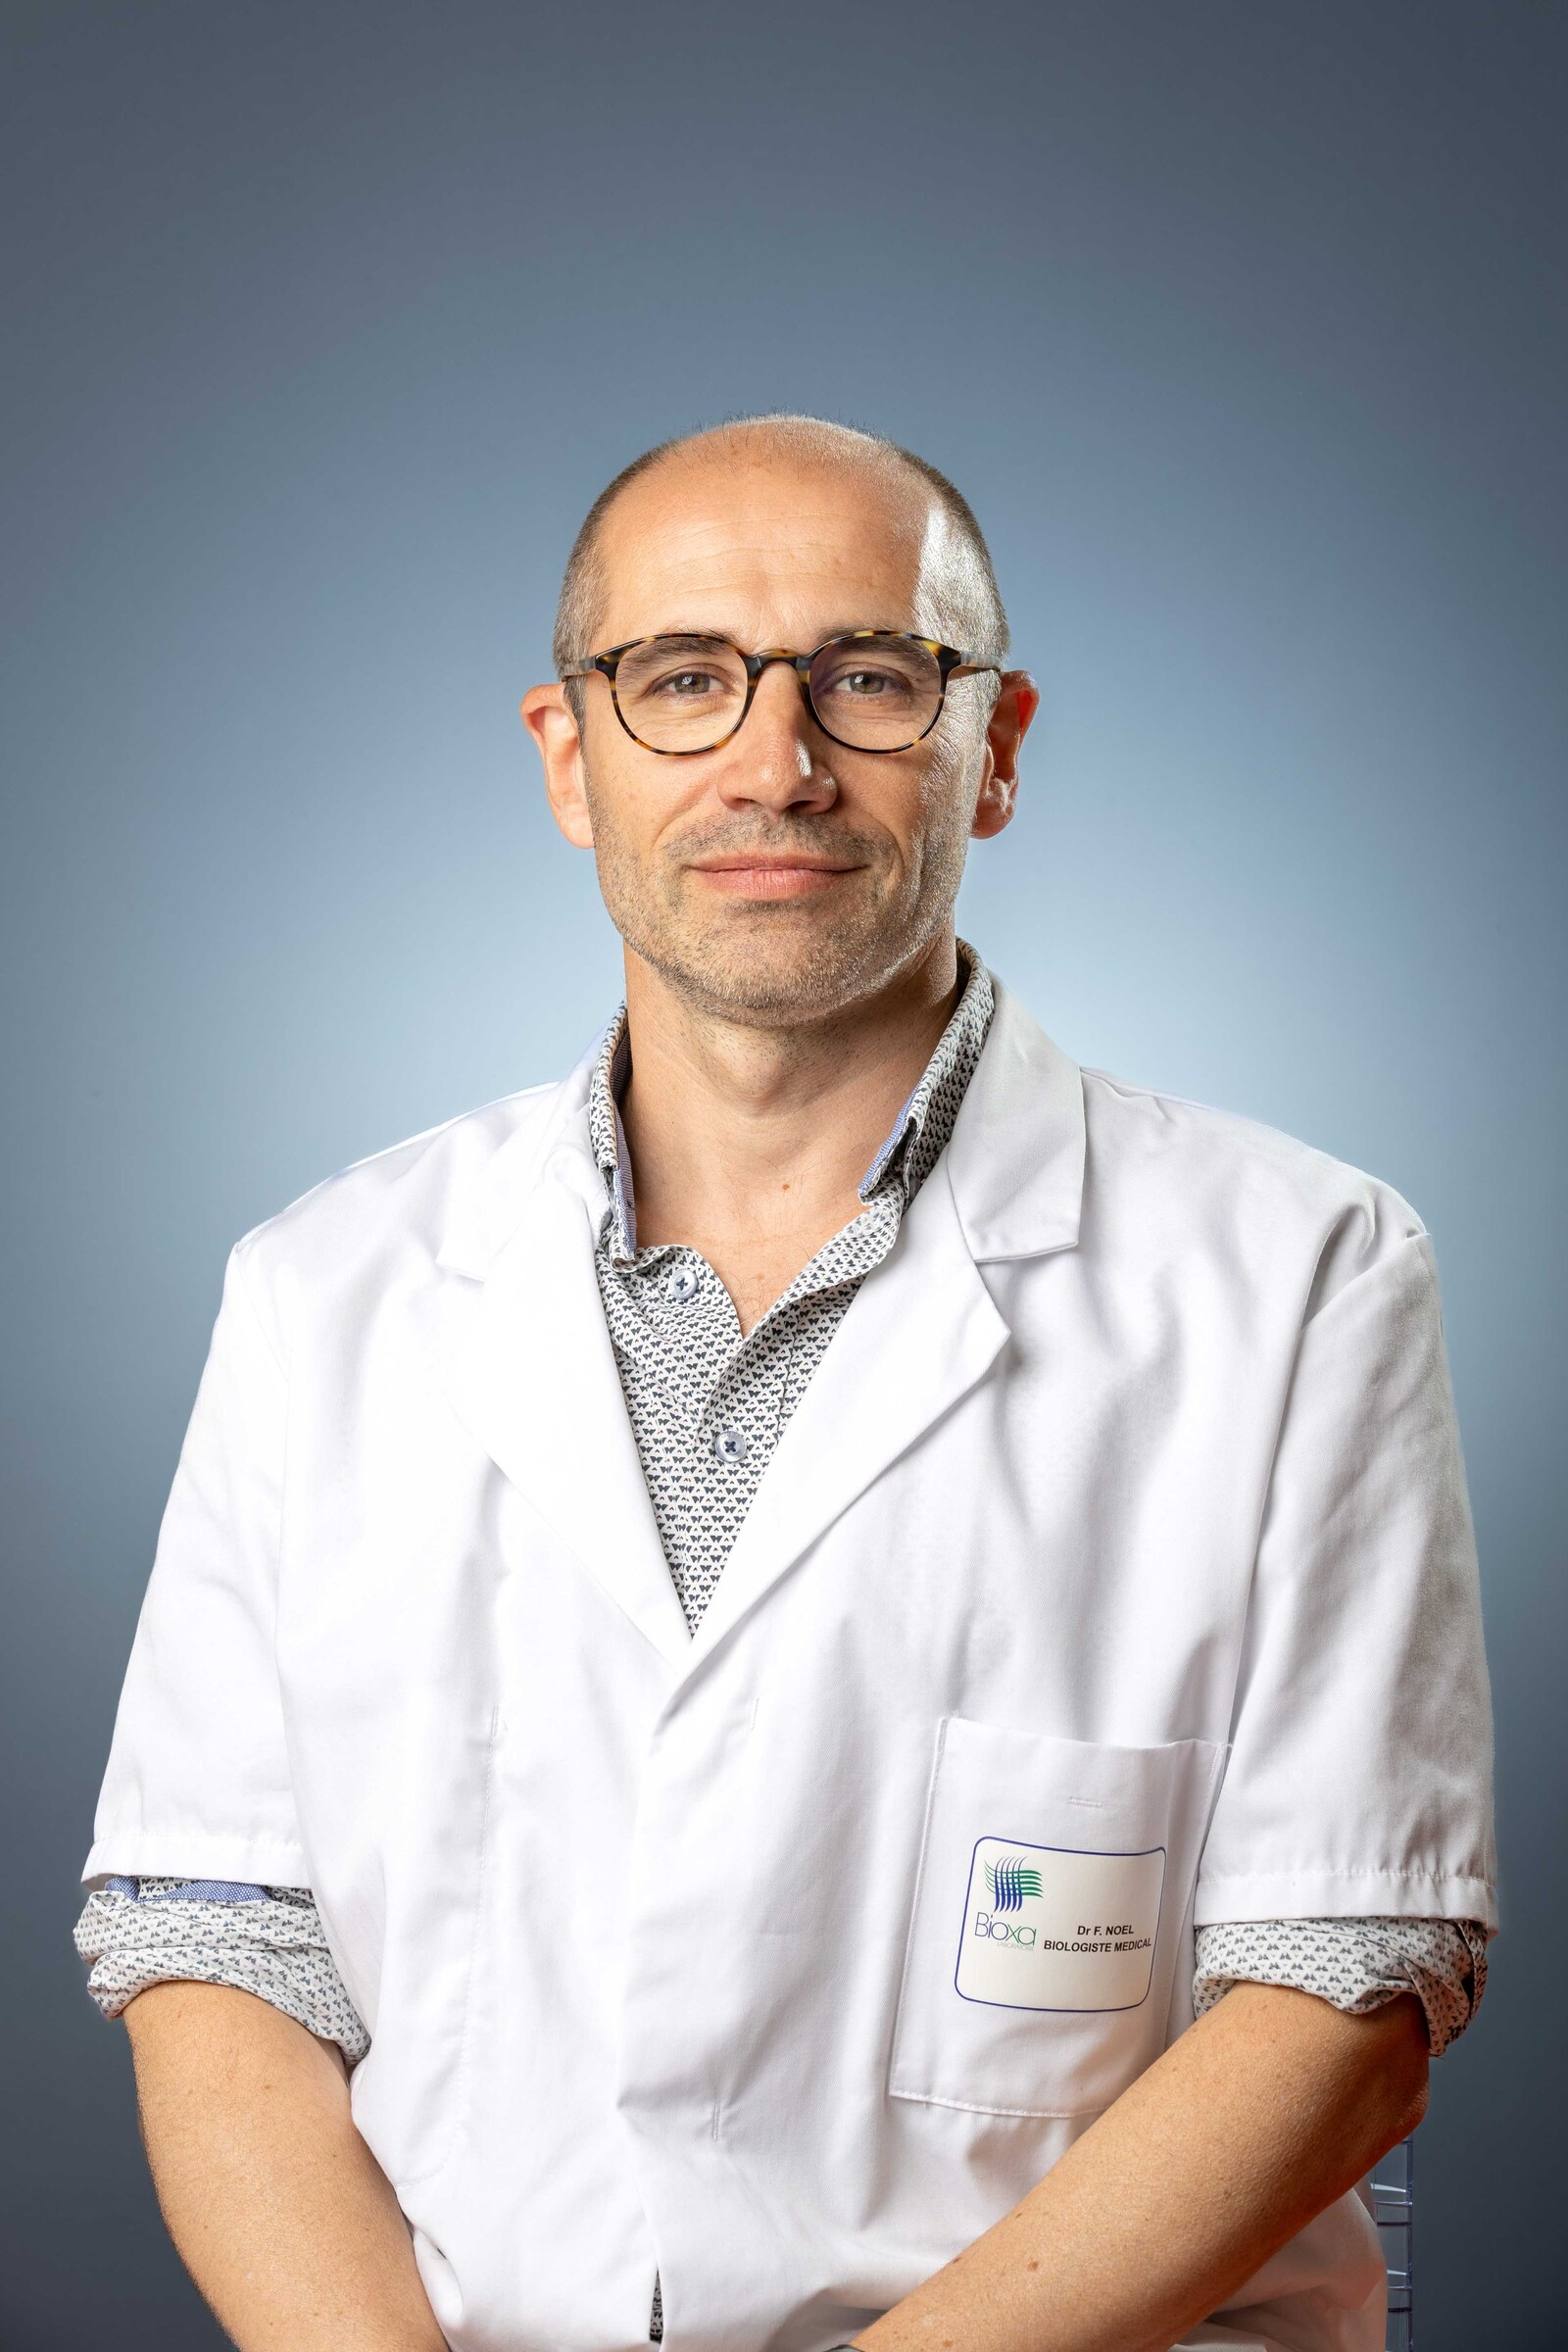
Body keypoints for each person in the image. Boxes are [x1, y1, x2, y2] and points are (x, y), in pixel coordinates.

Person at [76, 415, 1495, 2352]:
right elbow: (217, 1947)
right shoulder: (324, 1290)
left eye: (868, 678)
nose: (774, 763)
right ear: (566, 756)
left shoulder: (1300, 1274)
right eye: (682, 679)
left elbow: (1345, 1980)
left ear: (994, 747)